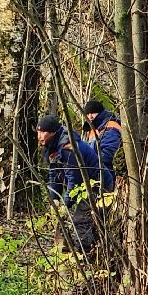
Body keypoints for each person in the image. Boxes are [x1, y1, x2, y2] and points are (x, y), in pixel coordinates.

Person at [37, 113, 113, 256]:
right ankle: (67, 250)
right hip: (81, 187)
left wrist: (66, 204)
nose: (39, 136)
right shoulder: (52, 147)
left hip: (98, 185)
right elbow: (54, 174)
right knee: (62, 216)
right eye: (38, 132)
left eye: (43, 132)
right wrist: (55, 198)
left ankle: (85, 253)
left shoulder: (69, 149)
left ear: (52, 132)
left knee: (80, 218)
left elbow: (75, 180)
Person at [82, 98, 124, 181]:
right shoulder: (93, 129)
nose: (90, 116)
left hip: (107, 174)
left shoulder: (110, 126)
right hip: (97, 172)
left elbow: (109, 153)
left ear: (100, 112)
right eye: (87, 114)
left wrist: (93, 169)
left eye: (93, 113)